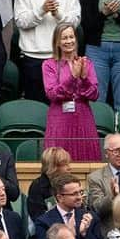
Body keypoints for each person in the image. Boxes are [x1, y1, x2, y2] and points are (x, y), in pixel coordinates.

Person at [42, 22, 100, 162]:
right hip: (60, 119)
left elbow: (94, 94)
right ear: (57, 42)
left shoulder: (86, 63)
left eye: (71, 37)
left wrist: (84, 78)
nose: (69, 41)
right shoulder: (49, 65)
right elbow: (52, 94)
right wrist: (72, 77)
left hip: (83, 117)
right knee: (58, 162)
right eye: (64, 38)